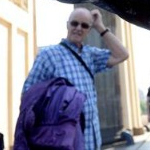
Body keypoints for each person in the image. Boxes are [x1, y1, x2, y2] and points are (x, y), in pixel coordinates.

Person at [22, 8, 129, 150]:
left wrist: (100, 27)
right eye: (74, 23)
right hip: (63, 140)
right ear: (67, 25)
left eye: (84, 25)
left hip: (92, 139)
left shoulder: (90, 55)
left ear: (89, 30)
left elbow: (122, 55)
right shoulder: (48, 55)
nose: (79, 28)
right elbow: (28, 95)